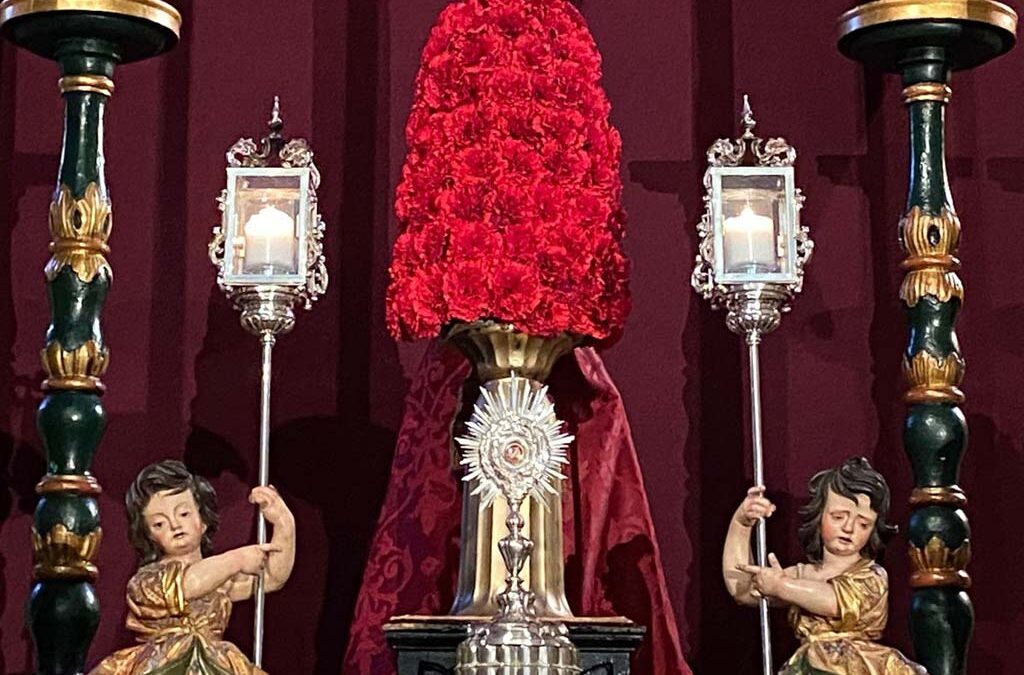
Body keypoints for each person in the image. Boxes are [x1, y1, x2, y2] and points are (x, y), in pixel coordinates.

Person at [89, 460, 295, 675]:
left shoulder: (220, 579)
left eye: (184, 514)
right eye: (160, 524)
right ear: (148, 536)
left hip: (216, 663)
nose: (175, 525)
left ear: (203, 519)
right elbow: (188, 584)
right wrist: (238, 559)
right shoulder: (148, 581)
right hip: (165, 664)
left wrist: (283, 523)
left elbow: (272, 577)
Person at [723, 457, 926, 675]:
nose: (849, 528)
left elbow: (833, 601)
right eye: (839, 517)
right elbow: (742, 589)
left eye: (863, 523)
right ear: (819, 516)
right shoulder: (801, 575)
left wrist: (781, 586)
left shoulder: (872, 577)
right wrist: (742, 523)